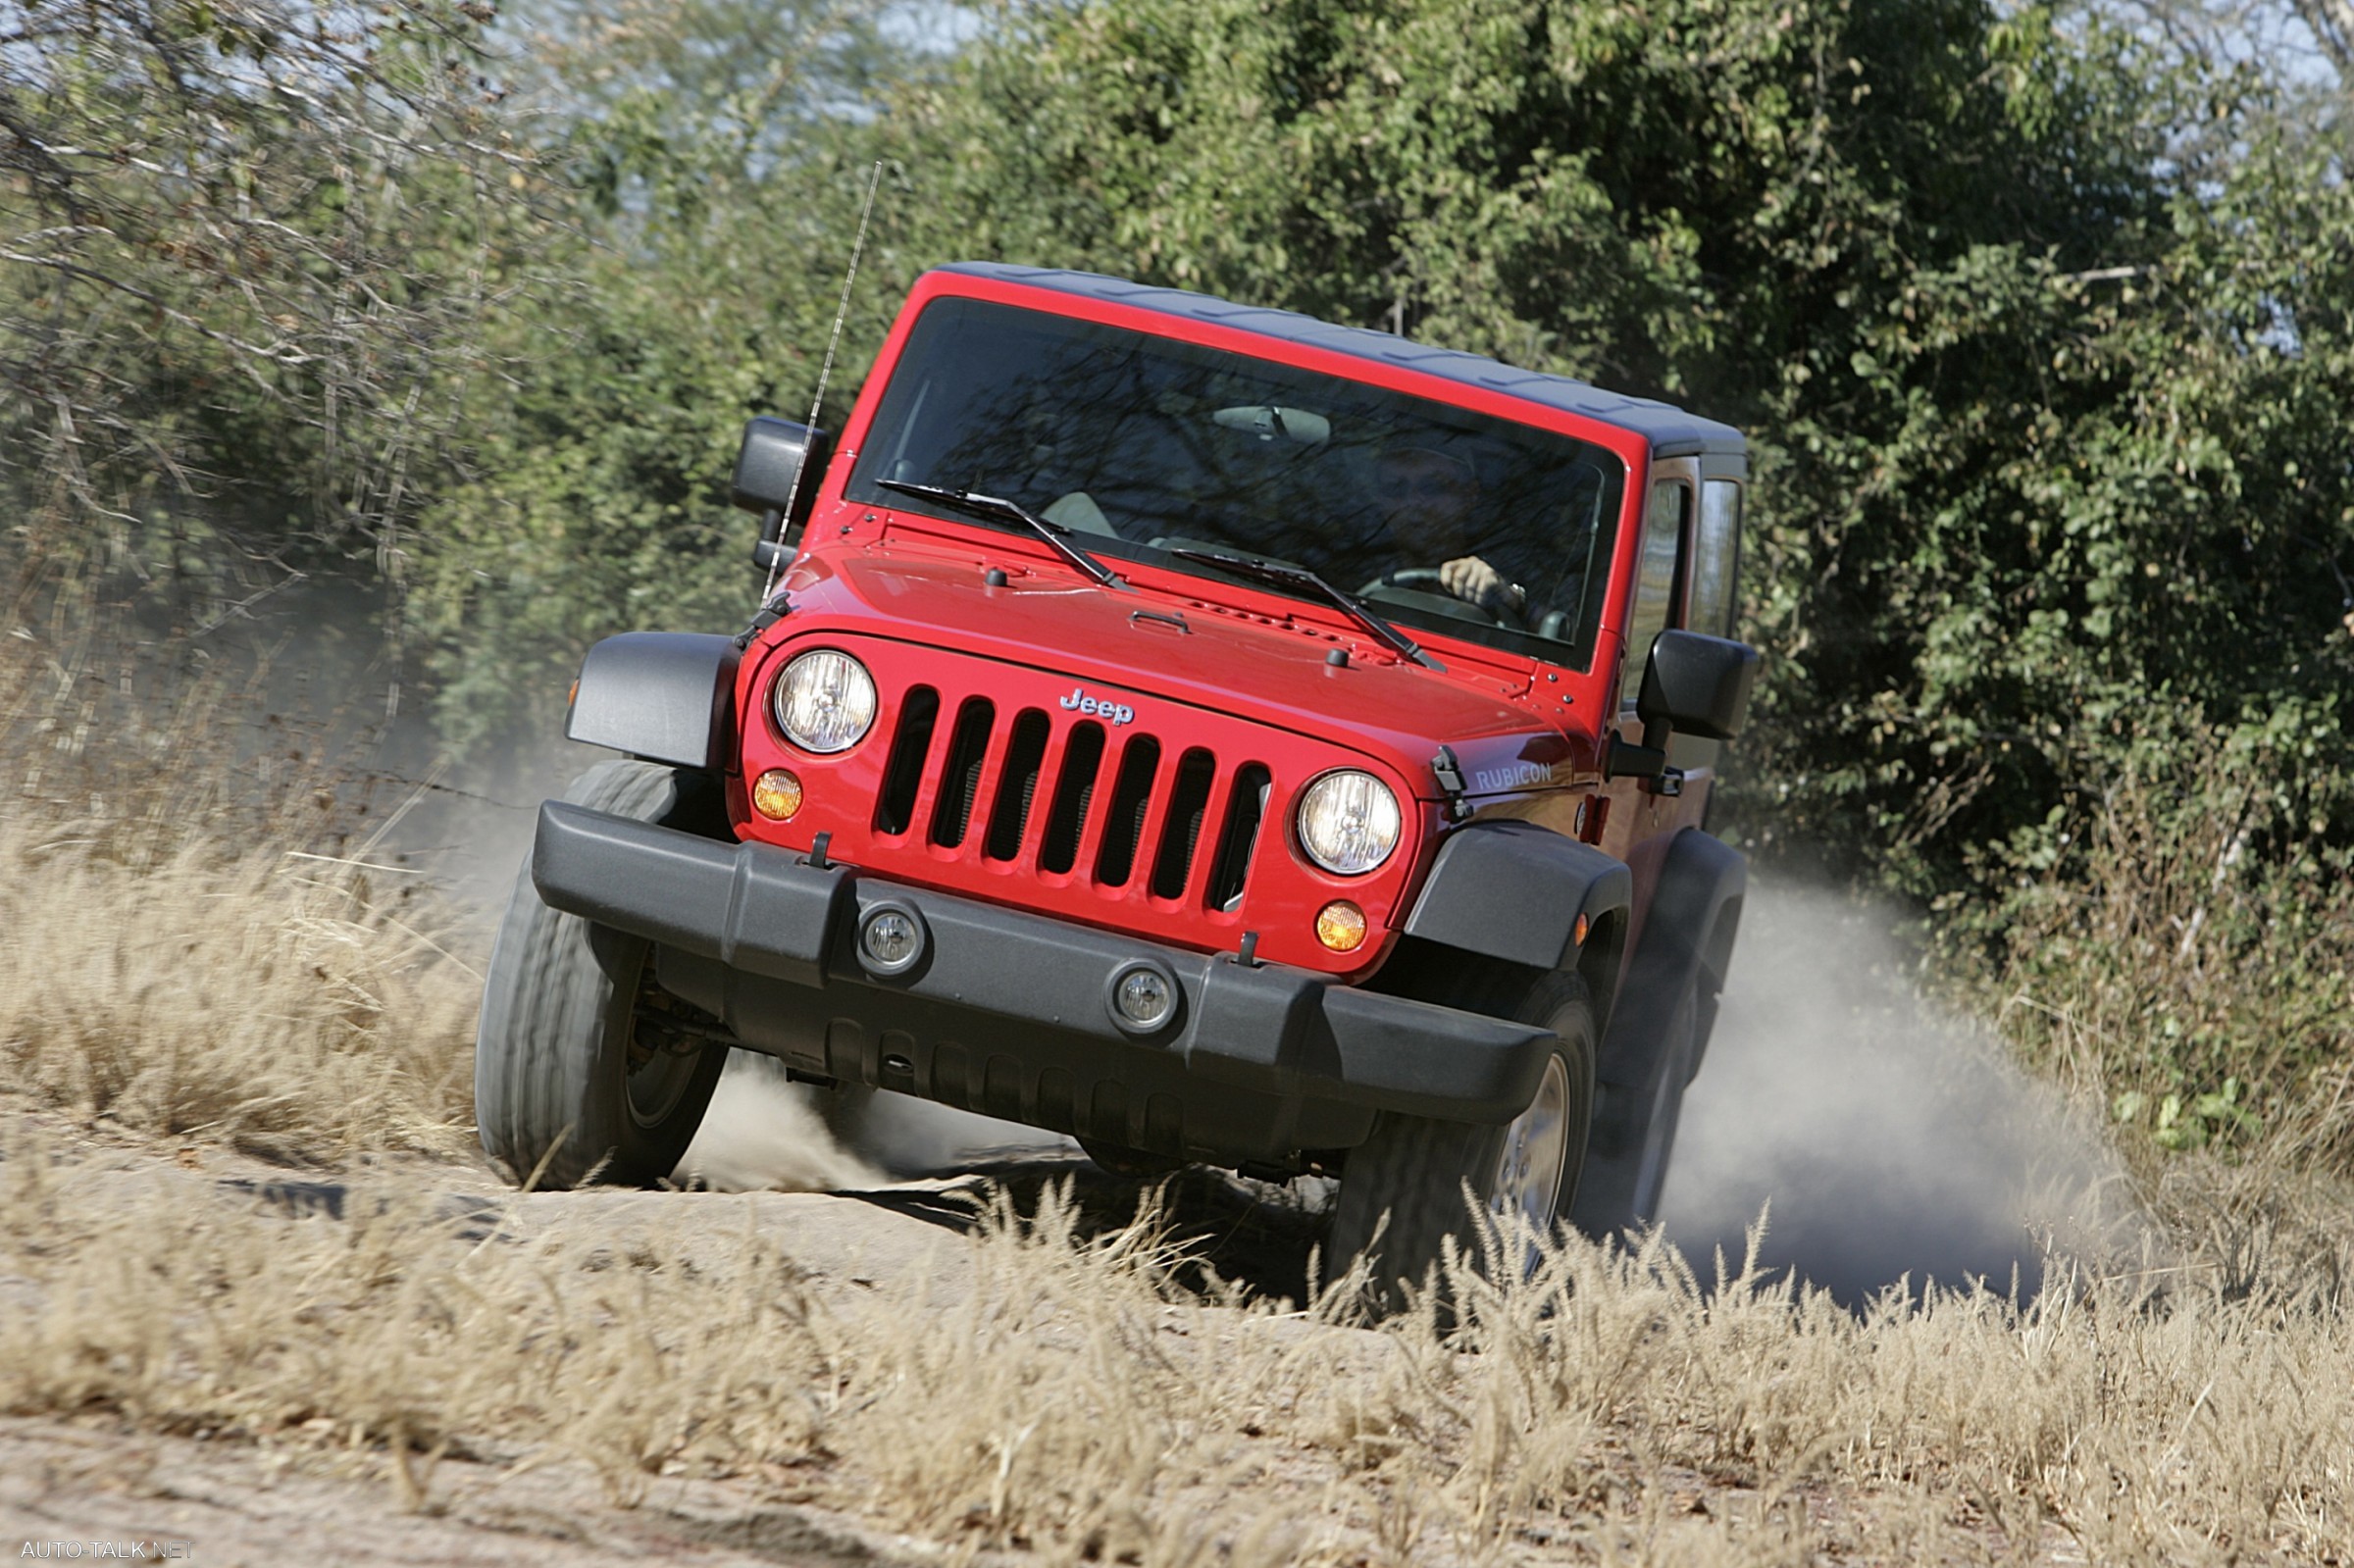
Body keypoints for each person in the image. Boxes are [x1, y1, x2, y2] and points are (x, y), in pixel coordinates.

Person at [1370, 439, 1529, 619]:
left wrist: (1509, 599)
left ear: (1469, 495)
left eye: (1432, 487)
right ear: (1379, 499)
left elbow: (1549, 627)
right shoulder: (1348, 570)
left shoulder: (1515, 565)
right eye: (1395, 489)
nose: (1413, 502)